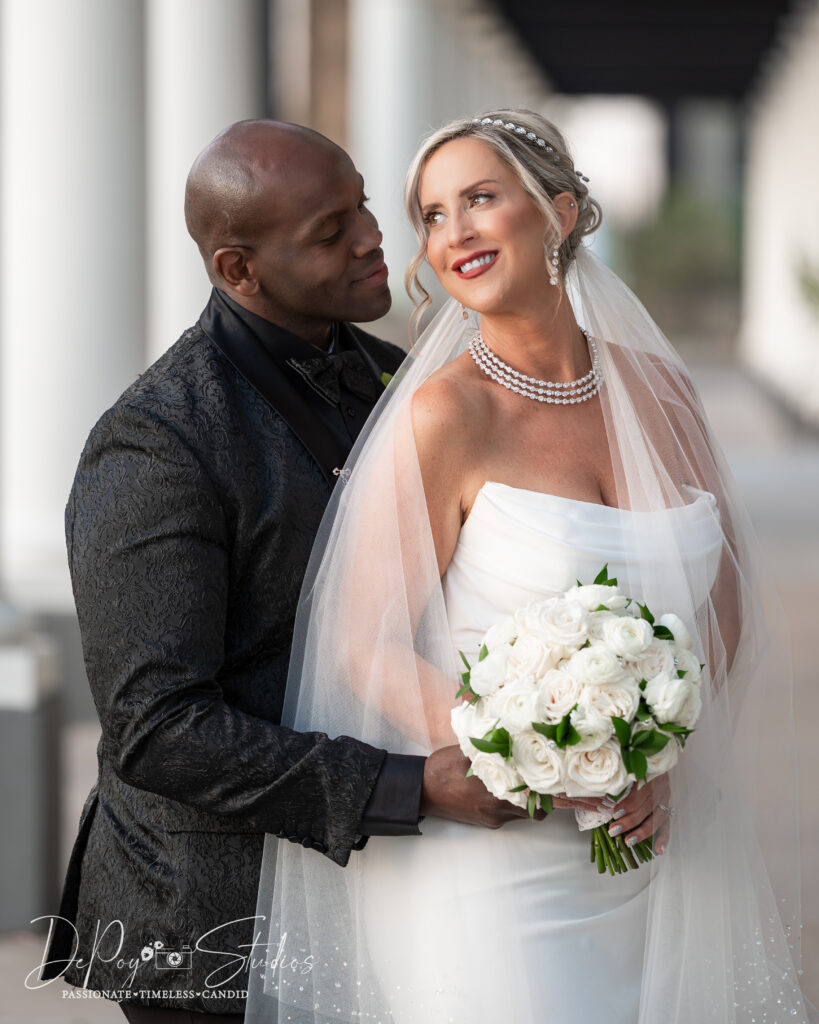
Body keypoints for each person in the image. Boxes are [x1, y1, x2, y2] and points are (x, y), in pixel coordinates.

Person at [247, 110, 814, 1023]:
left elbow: (725, 599)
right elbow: (365, 645)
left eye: (479, 198)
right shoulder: (444, 416)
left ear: (556, 214)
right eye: (432, 215)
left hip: (659, 841)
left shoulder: (663, 391)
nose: (454, 233)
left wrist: (656, 755)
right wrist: (544, 757)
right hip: (497, 866)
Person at [37, 120, 529, 1024]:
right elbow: (158, 727)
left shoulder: (408, 382)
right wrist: (407, 786)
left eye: (364, 207)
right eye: (329, 230)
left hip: (392, 902)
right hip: (213, 926)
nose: (374, 237)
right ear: (237, 270)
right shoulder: (158, 441)